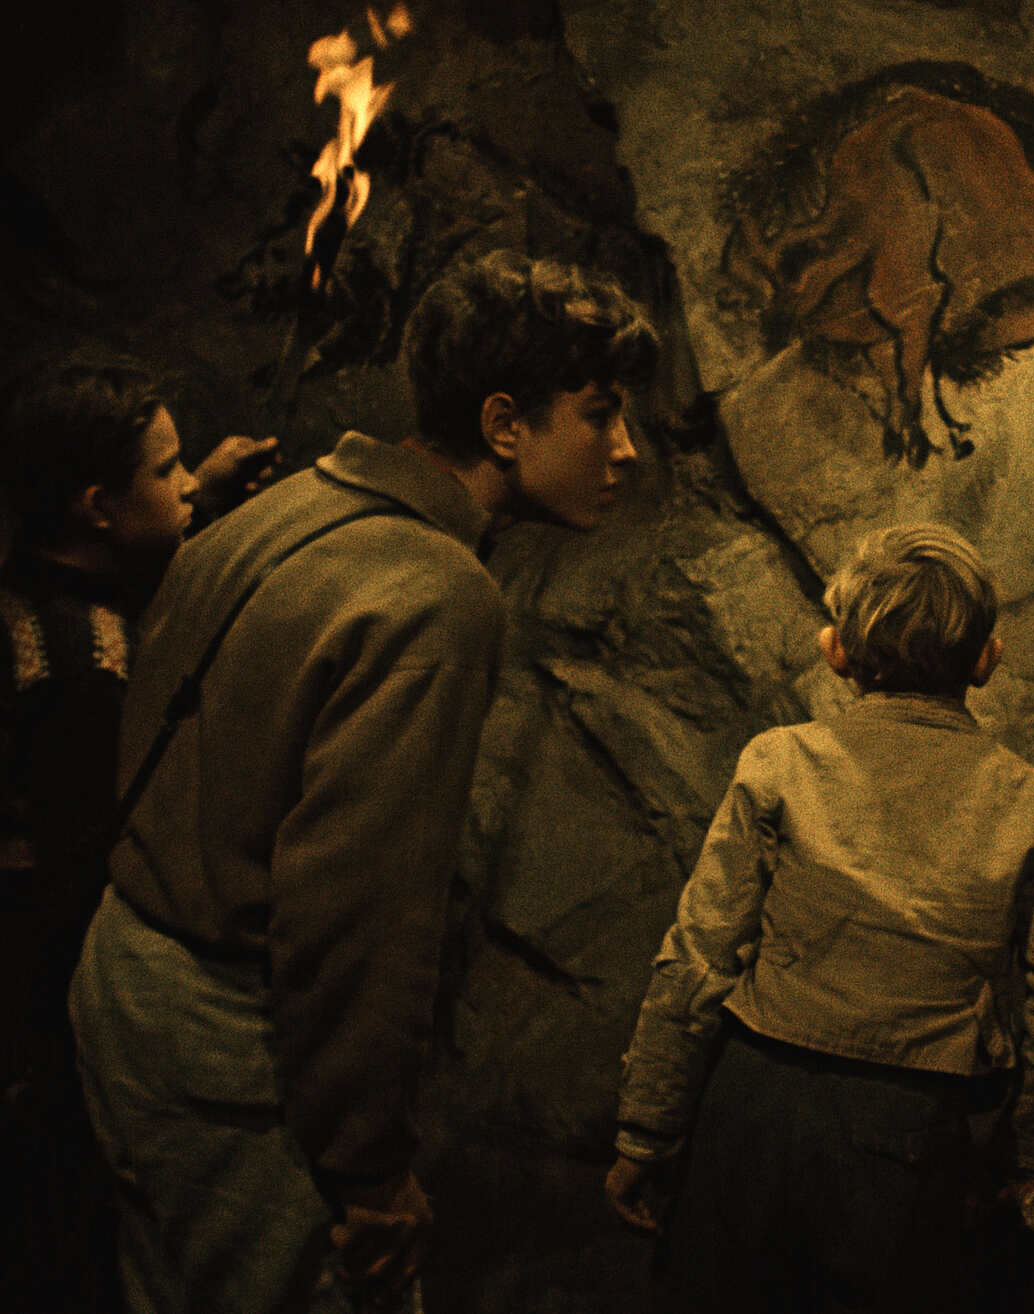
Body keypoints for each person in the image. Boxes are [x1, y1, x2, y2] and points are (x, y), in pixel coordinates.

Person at [67, 250, 658, 1314]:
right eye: (601, 413)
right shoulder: (435, 594)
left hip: (125, 975)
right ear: (505, 424)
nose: (627, 448)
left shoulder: (288, 506)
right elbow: (357, 914)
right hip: (227, 1038)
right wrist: (370, 1170)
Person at [605, 523, 1034, 1313]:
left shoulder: (779, 764)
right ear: (986, 659)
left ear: (834, 650)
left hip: (754, 1108)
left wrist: (647, 1129)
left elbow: (699, 955)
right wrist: (1032, 1159)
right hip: (914, 1130)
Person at [0, 352, 277, 1312]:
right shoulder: (83, 674)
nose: (187, 481)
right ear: (95, 507)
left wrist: (201, 493)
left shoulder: (34, 583)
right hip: (54, 1006)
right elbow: (85, 868)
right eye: (166, 470)